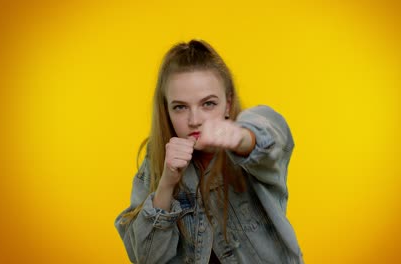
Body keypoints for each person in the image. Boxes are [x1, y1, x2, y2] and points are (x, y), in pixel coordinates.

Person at [114, 39, 305, 264]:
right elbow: (146, 259)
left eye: (208, 104)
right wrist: (166, 184)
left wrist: (242, 138)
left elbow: (272, 134)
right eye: (180, 107)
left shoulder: (250, 138)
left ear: (228, 102)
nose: (194, 120)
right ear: (166, 109)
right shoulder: (156, 160)